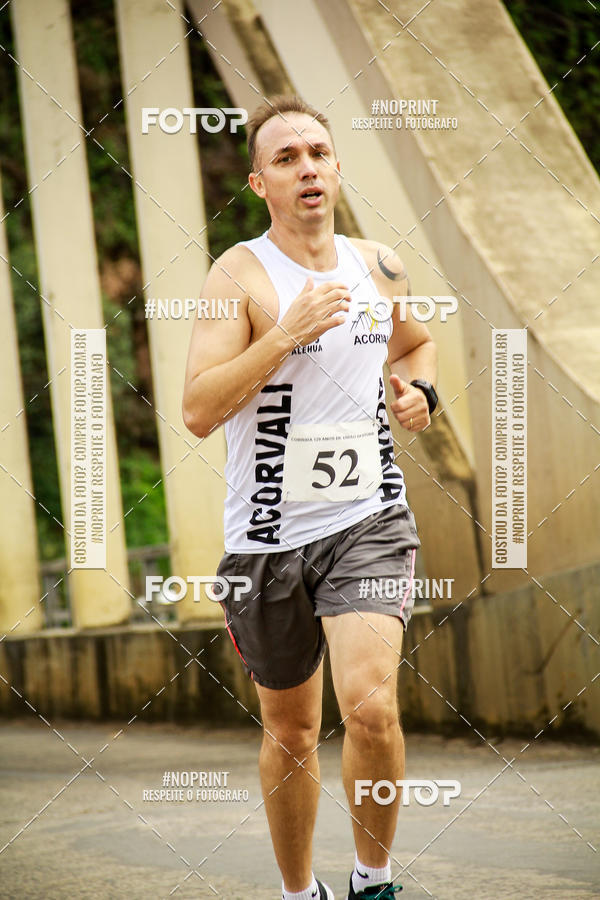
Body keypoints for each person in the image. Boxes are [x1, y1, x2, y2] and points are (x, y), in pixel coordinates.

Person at [183, 95, 438, 900]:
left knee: (368, 707)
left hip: (366, 517)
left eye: (318, 153)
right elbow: (197, 408)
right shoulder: (239, 274)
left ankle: (375, 884)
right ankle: (301, 894)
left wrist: (421, 392)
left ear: (336, 167)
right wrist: (285, 335)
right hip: (265, 537)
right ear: (261, 181)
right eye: (286, 159)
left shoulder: (380, 265)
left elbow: (418, 341)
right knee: (292, 730)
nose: (307, 169)